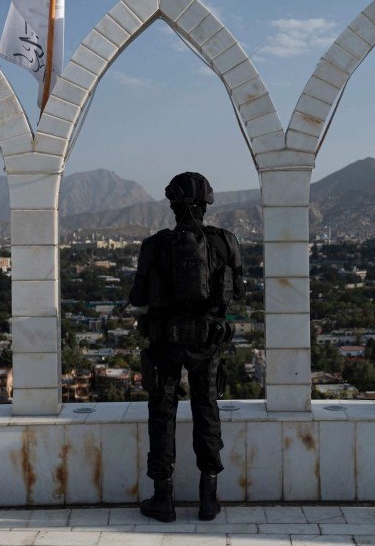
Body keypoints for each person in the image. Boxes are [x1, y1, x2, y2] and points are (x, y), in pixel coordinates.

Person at [129, 172, 245, 522]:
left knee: (162, 416)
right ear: (207, 204)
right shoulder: (226, 242)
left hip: (165, 344)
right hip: (207, 345)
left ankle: (163, 498)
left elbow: (137, 297)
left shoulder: (154, 245)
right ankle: (208, 499)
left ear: (172, 204)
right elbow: (237, 293)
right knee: (206, 412)